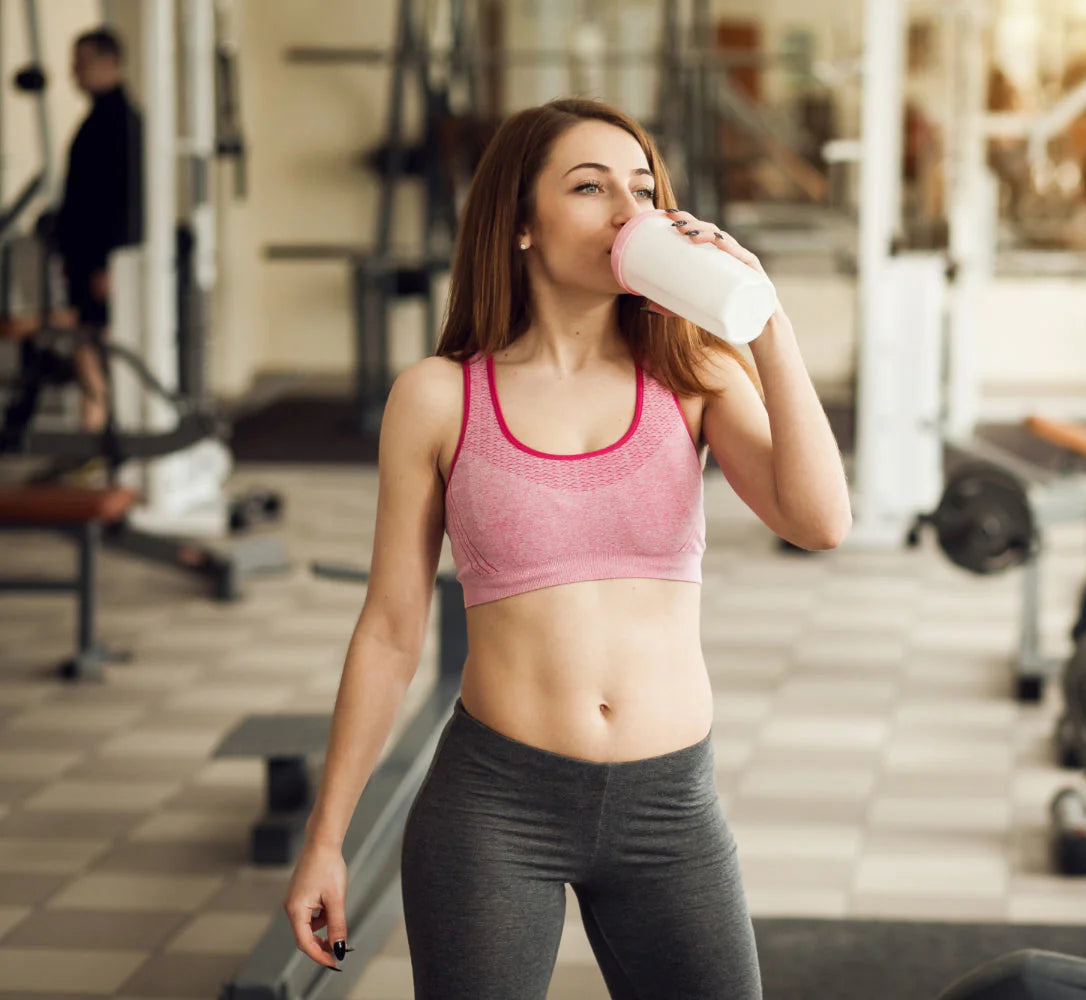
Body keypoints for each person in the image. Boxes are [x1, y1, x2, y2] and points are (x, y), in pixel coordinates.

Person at [282, 98, 851, 998]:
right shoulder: (437, 397)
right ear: (518, 224)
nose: (628, 213)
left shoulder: (694, 374)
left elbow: (819, 522)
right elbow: (391, 632)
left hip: (672, 808)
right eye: (590, 188)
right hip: (495, 805)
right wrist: (326, 842)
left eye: (643, 190)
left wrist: (765, 322)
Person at [38, 27, 142, 478]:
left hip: (100, 260)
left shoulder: (119, 121)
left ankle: (95, 438)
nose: (73, 72)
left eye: (81, 61)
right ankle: (93, 436)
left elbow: (120, 200)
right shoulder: (101, 117)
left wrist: (106, 264)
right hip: (86, 257)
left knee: (92, 343)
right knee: (87, 343)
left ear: (108, 62)